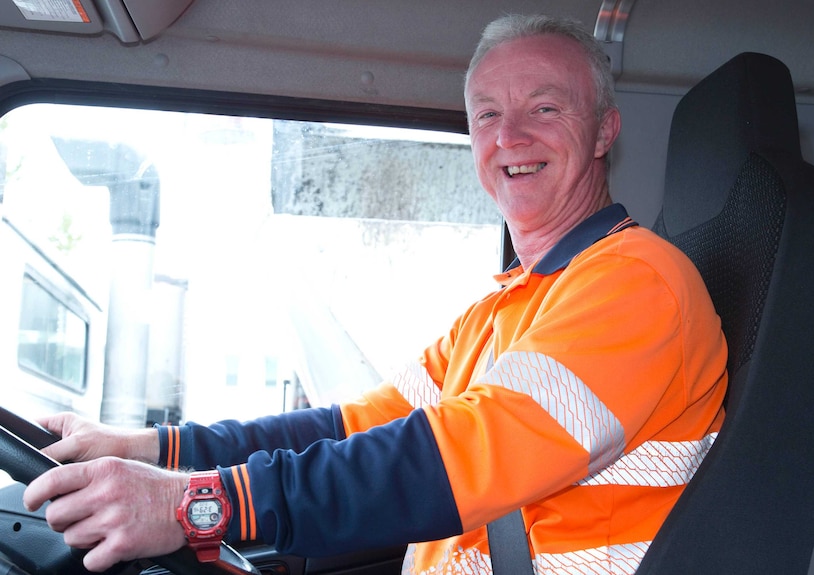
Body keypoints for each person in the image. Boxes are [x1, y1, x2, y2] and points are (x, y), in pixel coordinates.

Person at [23, 13, 728, 575]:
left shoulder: (638, 282)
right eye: (486, 115)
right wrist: (150, 448)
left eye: (544, 107)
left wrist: (193, 506)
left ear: (604, 129)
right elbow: (351, 427)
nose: (509, 135)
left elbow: (448, 457)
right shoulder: (506, 306)